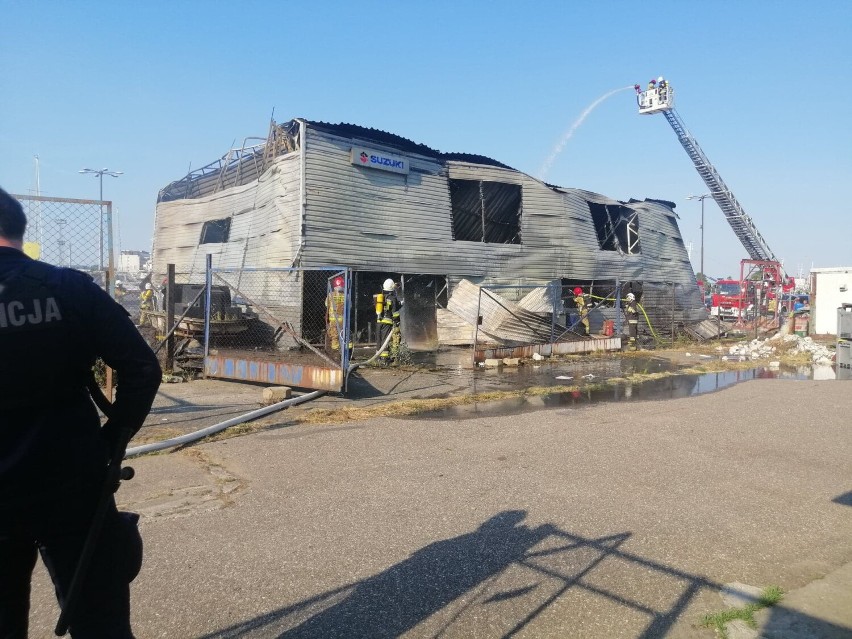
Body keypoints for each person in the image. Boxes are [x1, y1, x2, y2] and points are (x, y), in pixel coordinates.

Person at [0, 187, 161, 638]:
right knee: (99, 621)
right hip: (73, 482)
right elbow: (142, 368)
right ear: (18, 230)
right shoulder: (68, 288)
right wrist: (113, 440)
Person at [375, 278, 402, 363]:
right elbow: (395, 313)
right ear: (391, 288)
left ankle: (378, 358)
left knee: (379, 340)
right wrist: (397, 321)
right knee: (385, 340)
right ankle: (385, 359)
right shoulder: (392, 298)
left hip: (379, 321)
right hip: (387, 322)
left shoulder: (381, 297)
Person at [326, 276, 346, 351]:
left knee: (334, 335)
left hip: (333, 318)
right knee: (342, 334)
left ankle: (335, 349)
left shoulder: (330, 294)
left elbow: (326, 304)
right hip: (342, 318)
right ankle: (342, 348)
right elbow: (349, 306)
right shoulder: (345, 295)